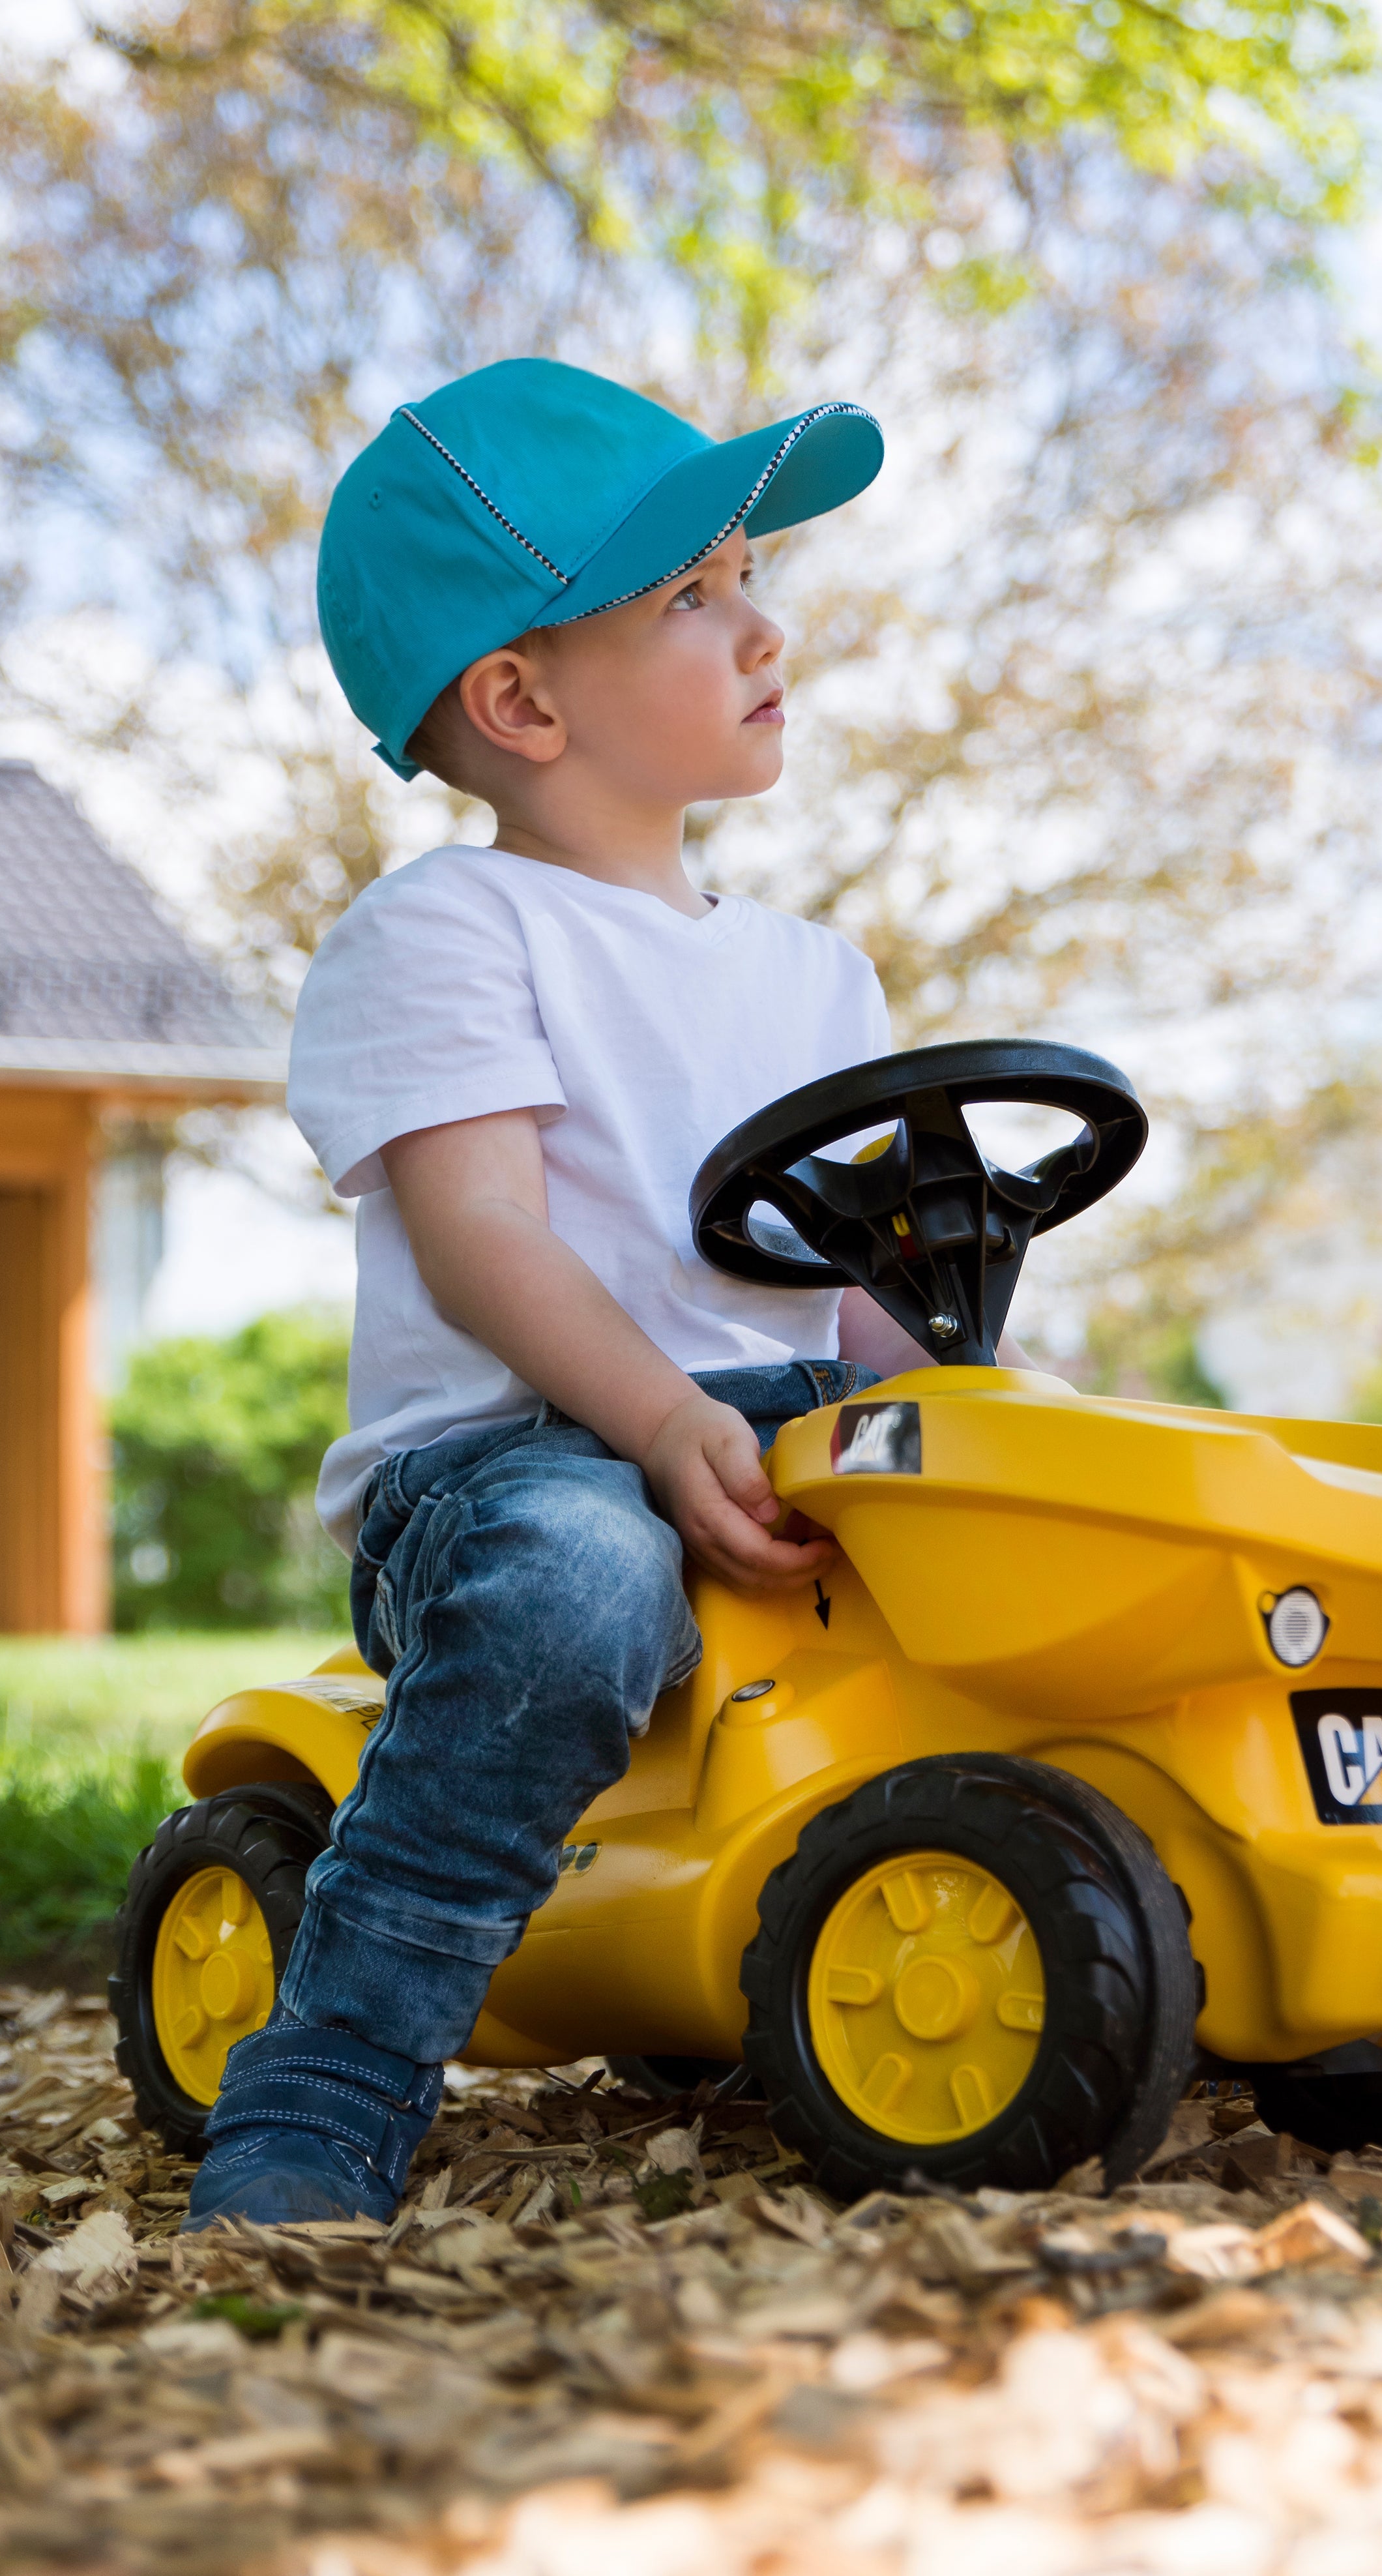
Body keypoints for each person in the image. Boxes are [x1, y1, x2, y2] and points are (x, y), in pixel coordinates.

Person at [186, 357, 925, 2228]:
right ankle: (331, 2078)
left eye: (751, 577)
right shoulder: (445, 931)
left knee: (1028, 1536)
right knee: (586, 1579)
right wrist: (668, 1417)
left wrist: (981, 1418)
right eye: (692, 597)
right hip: (508, 1468)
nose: (762, 627)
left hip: (754, 1435)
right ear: (520, 698)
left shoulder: (821, 977)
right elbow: (487, 1242)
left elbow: (847, 1302)